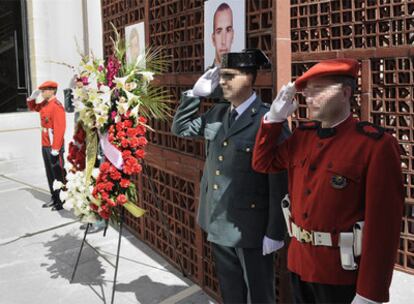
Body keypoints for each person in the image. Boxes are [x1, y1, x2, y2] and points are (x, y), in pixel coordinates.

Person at [252, 59, 404, 304]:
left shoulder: (375, 145)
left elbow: (383, 228)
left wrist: (369, 293)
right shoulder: (303, 136)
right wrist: (273, 119)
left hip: (340, 272)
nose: (309, 97)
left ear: (345, 93)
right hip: (299, 262)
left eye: (318, 90)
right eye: (307, 91)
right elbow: (263, 162)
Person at [172, 49, 290, 303]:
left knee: (260, 295)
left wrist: (275, 231)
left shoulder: (267, 120)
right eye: (221, 76)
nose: (222, 82)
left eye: (229, 76)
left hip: (251, 228)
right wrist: (194, 94)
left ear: (248, 78)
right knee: (231, 290)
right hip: (217, 220)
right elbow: (180, 128)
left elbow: (279, 182)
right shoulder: (218, 114)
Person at [27, 81, 67, 211]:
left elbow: (60, 128)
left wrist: (56, 148)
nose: (42, 93)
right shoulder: (45, 103)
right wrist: (32, 98)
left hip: (54, 145)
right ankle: (54, 197)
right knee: (50, 173)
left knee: (58, 174)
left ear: (52, 90)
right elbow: (34, 108)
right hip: (45, 143)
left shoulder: (57, 106)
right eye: (42, 90)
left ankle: (62, 200)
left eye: (44, 90)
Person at [211, 2, 234, 67]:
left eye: (228, 30)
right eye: (219, 32)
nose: (223, 41)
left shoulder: (240, 75)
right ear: (213, 39)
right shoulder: (207, 76)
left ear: (232, 36)